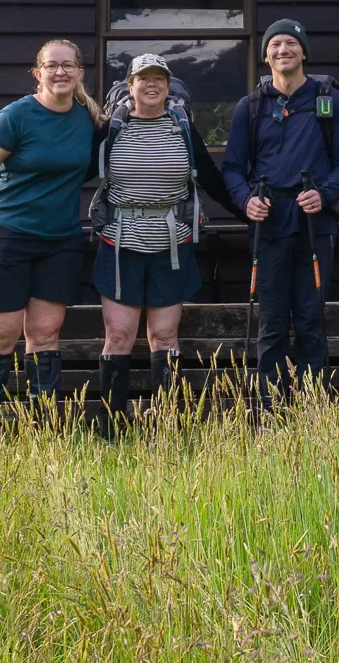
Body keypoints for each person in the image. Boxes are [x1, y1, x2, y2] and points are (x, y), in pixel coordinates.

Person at [0, 38, 104, 414]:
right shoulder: (14, 116)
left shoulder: (89, 118)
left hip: (60, 239)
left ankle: (42, 424)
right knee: (1, 334)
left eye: (68, 65)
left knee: (45, 333)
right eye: (52, 65)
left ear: (80, 73)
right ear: (38, 73)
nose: (60, 72)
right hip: (6, 234)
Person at [90, 52, 233, 423]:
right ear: (130, 86)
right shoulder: (111, 129)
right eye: (143, 78)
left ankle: (167, 424)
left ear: (168, 87)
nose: (151, 85)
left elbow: (211, 178)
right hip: (119, 241)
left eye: (159, 78)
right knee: (119, 335)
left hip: (172, 242)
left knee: (165, 336)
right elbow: (72, 169)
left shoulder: (182, 127)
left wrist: (247, 210)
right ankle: (111, 426)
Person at [223, 18, 339, 395]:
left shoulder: (329, 99)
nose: (283, 50)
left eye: (291, 43)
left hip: (316, 224)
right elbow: (232, 168)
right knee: (271, 322)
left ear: (304, 51)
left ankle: (313, 408)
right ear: (266, 55)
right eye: (275, 44)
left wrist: (325, 194)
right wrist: (246, 201)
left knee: (311, 319)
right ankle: (271, 410)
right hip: (269, 226)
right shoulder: (249, 107)